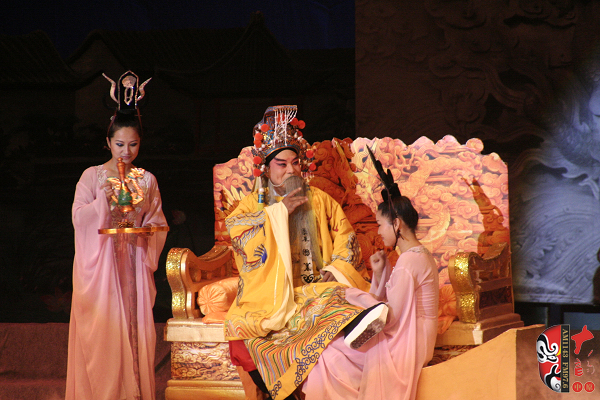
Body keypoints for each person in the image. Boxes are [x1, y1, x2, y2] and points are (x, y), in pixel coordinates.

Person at [224, 105, 387, 400]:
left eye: (295, 163)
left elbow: (346, 240)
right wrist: (278, 213)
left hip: (317, 290)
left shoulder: (321, 200)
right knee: (244, 333)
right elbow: (240, 237)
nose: (290, 170)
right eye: (281, 164)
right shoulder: (252, 205)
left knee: (337, 296)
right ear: (266, 168)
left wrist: (335, 270)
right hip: (270, 297)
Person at [66, 71, 168, 400]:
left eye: (133, 144)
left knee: (136, 332)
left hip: (134, 264)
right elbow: (78, 217)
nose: (126, 151)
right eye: (120, 144)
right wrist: (103, 203)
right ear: (108, 142)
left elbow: (158, 221)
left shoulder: (147, 180)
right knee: (102, 336)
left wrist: (145, 232)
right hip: (99, 266)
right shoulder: (92, 176)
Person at [301, 168, 440, 400]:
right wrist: (379, 273)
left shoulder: (408, 261)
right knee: (332, 349)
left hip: (408, 342)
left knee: (328, 355)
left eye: (380, 224)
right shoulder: (419, 255)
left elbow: (390, 318)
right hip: (415, 336)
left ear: (396, 224)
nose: (378, 231)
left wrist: (352, 296)